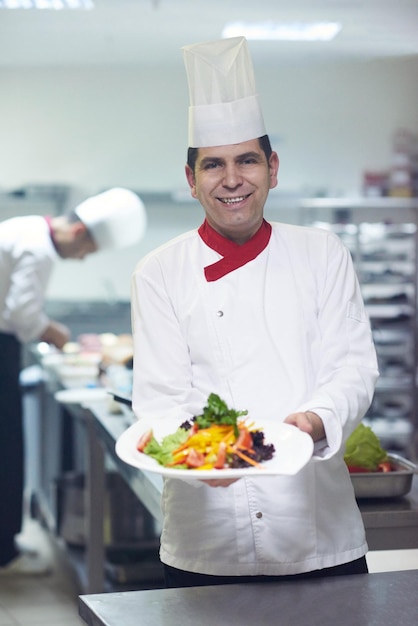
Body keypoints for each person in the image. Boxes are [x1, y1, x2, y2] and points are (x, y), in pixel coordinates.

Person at [130, 37, 379, 588]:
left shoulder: (323, 253)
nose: (232, 178)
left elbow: (353, 368)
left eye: (247, 160)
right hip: (206, 542)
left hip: (319, 534)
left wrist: (316, 419)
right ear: (191, 181)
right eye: (213, 165)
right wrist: (199, 458)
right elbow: (161, 400)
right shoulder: (159, 271)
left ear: (273, 168)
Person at [0, 187, 146, 575]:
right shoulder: (40, 248)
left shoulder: (29, 229)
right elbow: (21, 315)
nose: (82, 260)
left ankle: (4, 548)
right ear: (78, 232)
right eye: (87, 251)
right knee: (6, 447)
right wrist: (55, 332)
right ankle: (4, 557)